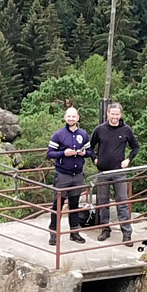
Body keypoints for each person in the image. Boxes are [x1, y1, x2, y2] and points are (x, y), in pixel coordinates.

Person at [90, 100, 139, 243]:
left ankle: (127, 233)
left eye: (117, 114)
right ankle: (105, 229)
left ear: (120, 115)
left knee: (122, 201)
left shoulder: (126, 130)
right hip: (103, 172)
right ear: (107, 114)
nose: (115, 117)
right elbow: (90, 147)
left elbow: (135, 147)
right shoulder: (100, 129)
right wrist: (94, 159)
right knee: (103, 202)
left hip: (119, 172)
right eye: (112, 114)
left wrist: (129, 159)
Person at [45, 105, 90, 246]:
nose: (71, 118)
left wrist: (84, 153)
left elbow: (90, 152)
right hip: (62, 174)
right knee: (57, 204)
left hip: (77, 175)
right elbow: (49, 153)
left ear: (78, 118)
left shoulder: (83, 134)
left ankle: (74, 232)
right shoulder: (58, 135)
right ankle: (53, 232)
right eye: (68, 116)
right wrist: (64, 153)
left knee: (74, 204)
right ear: (65, 118)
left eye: (73, 116)